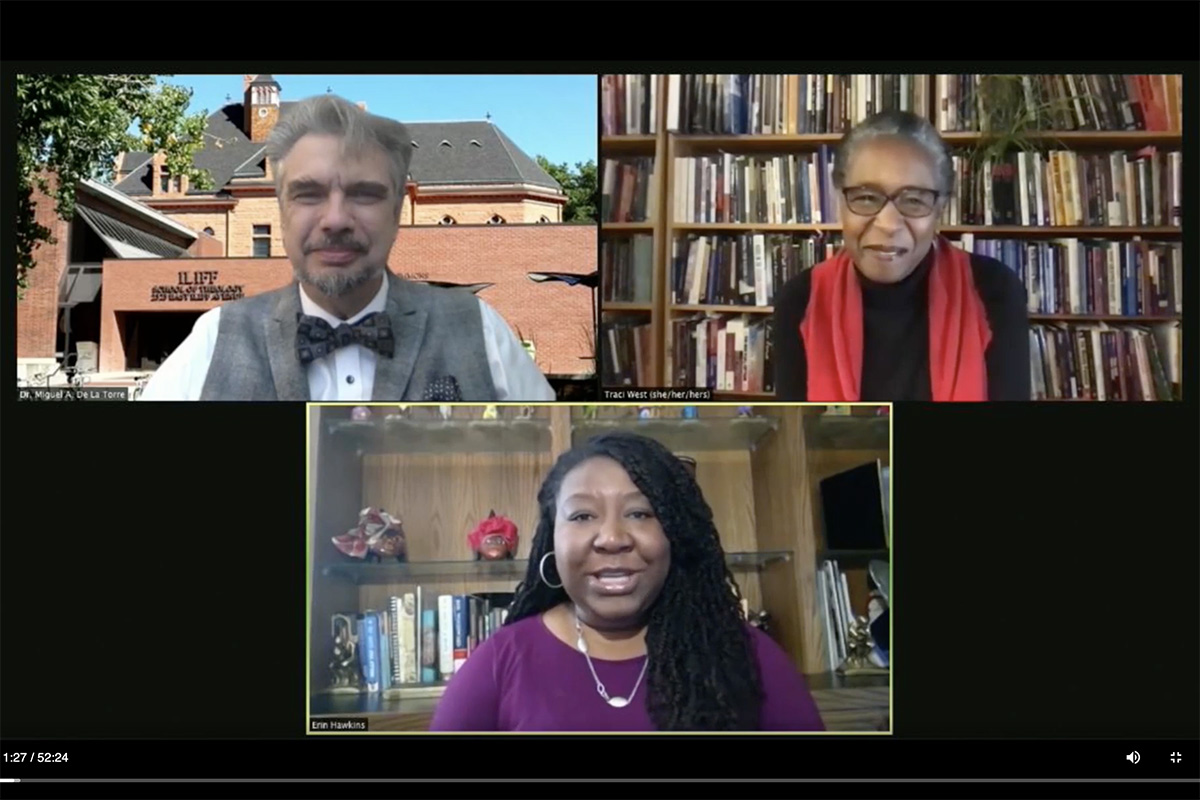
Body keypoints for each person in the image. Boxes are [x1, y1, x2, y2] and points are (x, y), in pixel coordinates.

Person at [140, 94, 554, 401]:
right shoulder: (216, 338)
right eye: (308, 194)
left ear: (397, 212)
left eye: (363, 193)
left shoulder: (479, 330)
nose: (335, 219)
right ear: (282, 212)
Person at [429, 431, 825, 732]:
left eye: (640, 514)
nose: (613, 538)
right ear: (552, 538)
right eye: (582, 516)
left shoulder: (749, 657)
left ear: (675, 534)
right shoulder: (500, 664)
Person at [773, 110, 1030, 401]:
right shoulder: (800, 300)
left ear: (939, 209)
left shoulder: (994, 290)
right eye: (867, 197)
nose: (889, 224)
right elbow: (797, 435)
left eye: (914, 200)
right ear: (839, 201)